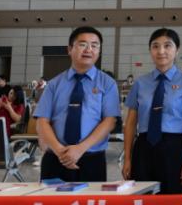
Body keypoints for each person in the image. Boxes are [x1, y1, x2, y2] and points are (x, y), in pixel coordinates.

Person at [33, 27, 120, 182]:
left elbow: (110, 121)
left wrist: (80, 149)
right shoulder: (54, 84)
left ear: (99, 51)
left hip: (91, 160)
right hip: (56, 158)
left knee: (90, 199)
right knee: (51, 198)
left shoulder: (108, 84)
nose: (89, 49)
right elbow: (42, 121)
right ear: (70, 49)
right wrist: (61, 152)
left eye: (94, 45)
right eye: (82, 44)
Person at [123, 29, 182, 195]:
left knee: (173, 200)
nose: (161, 51)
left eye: (167, 46)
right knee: (143, 200)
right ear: (150, 50)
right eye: (155, 46)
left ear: (177, 50)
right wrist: (127, 159)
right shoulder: (140, 83)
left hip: (174, 148)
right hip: (143, 147)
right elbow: (130, 123)